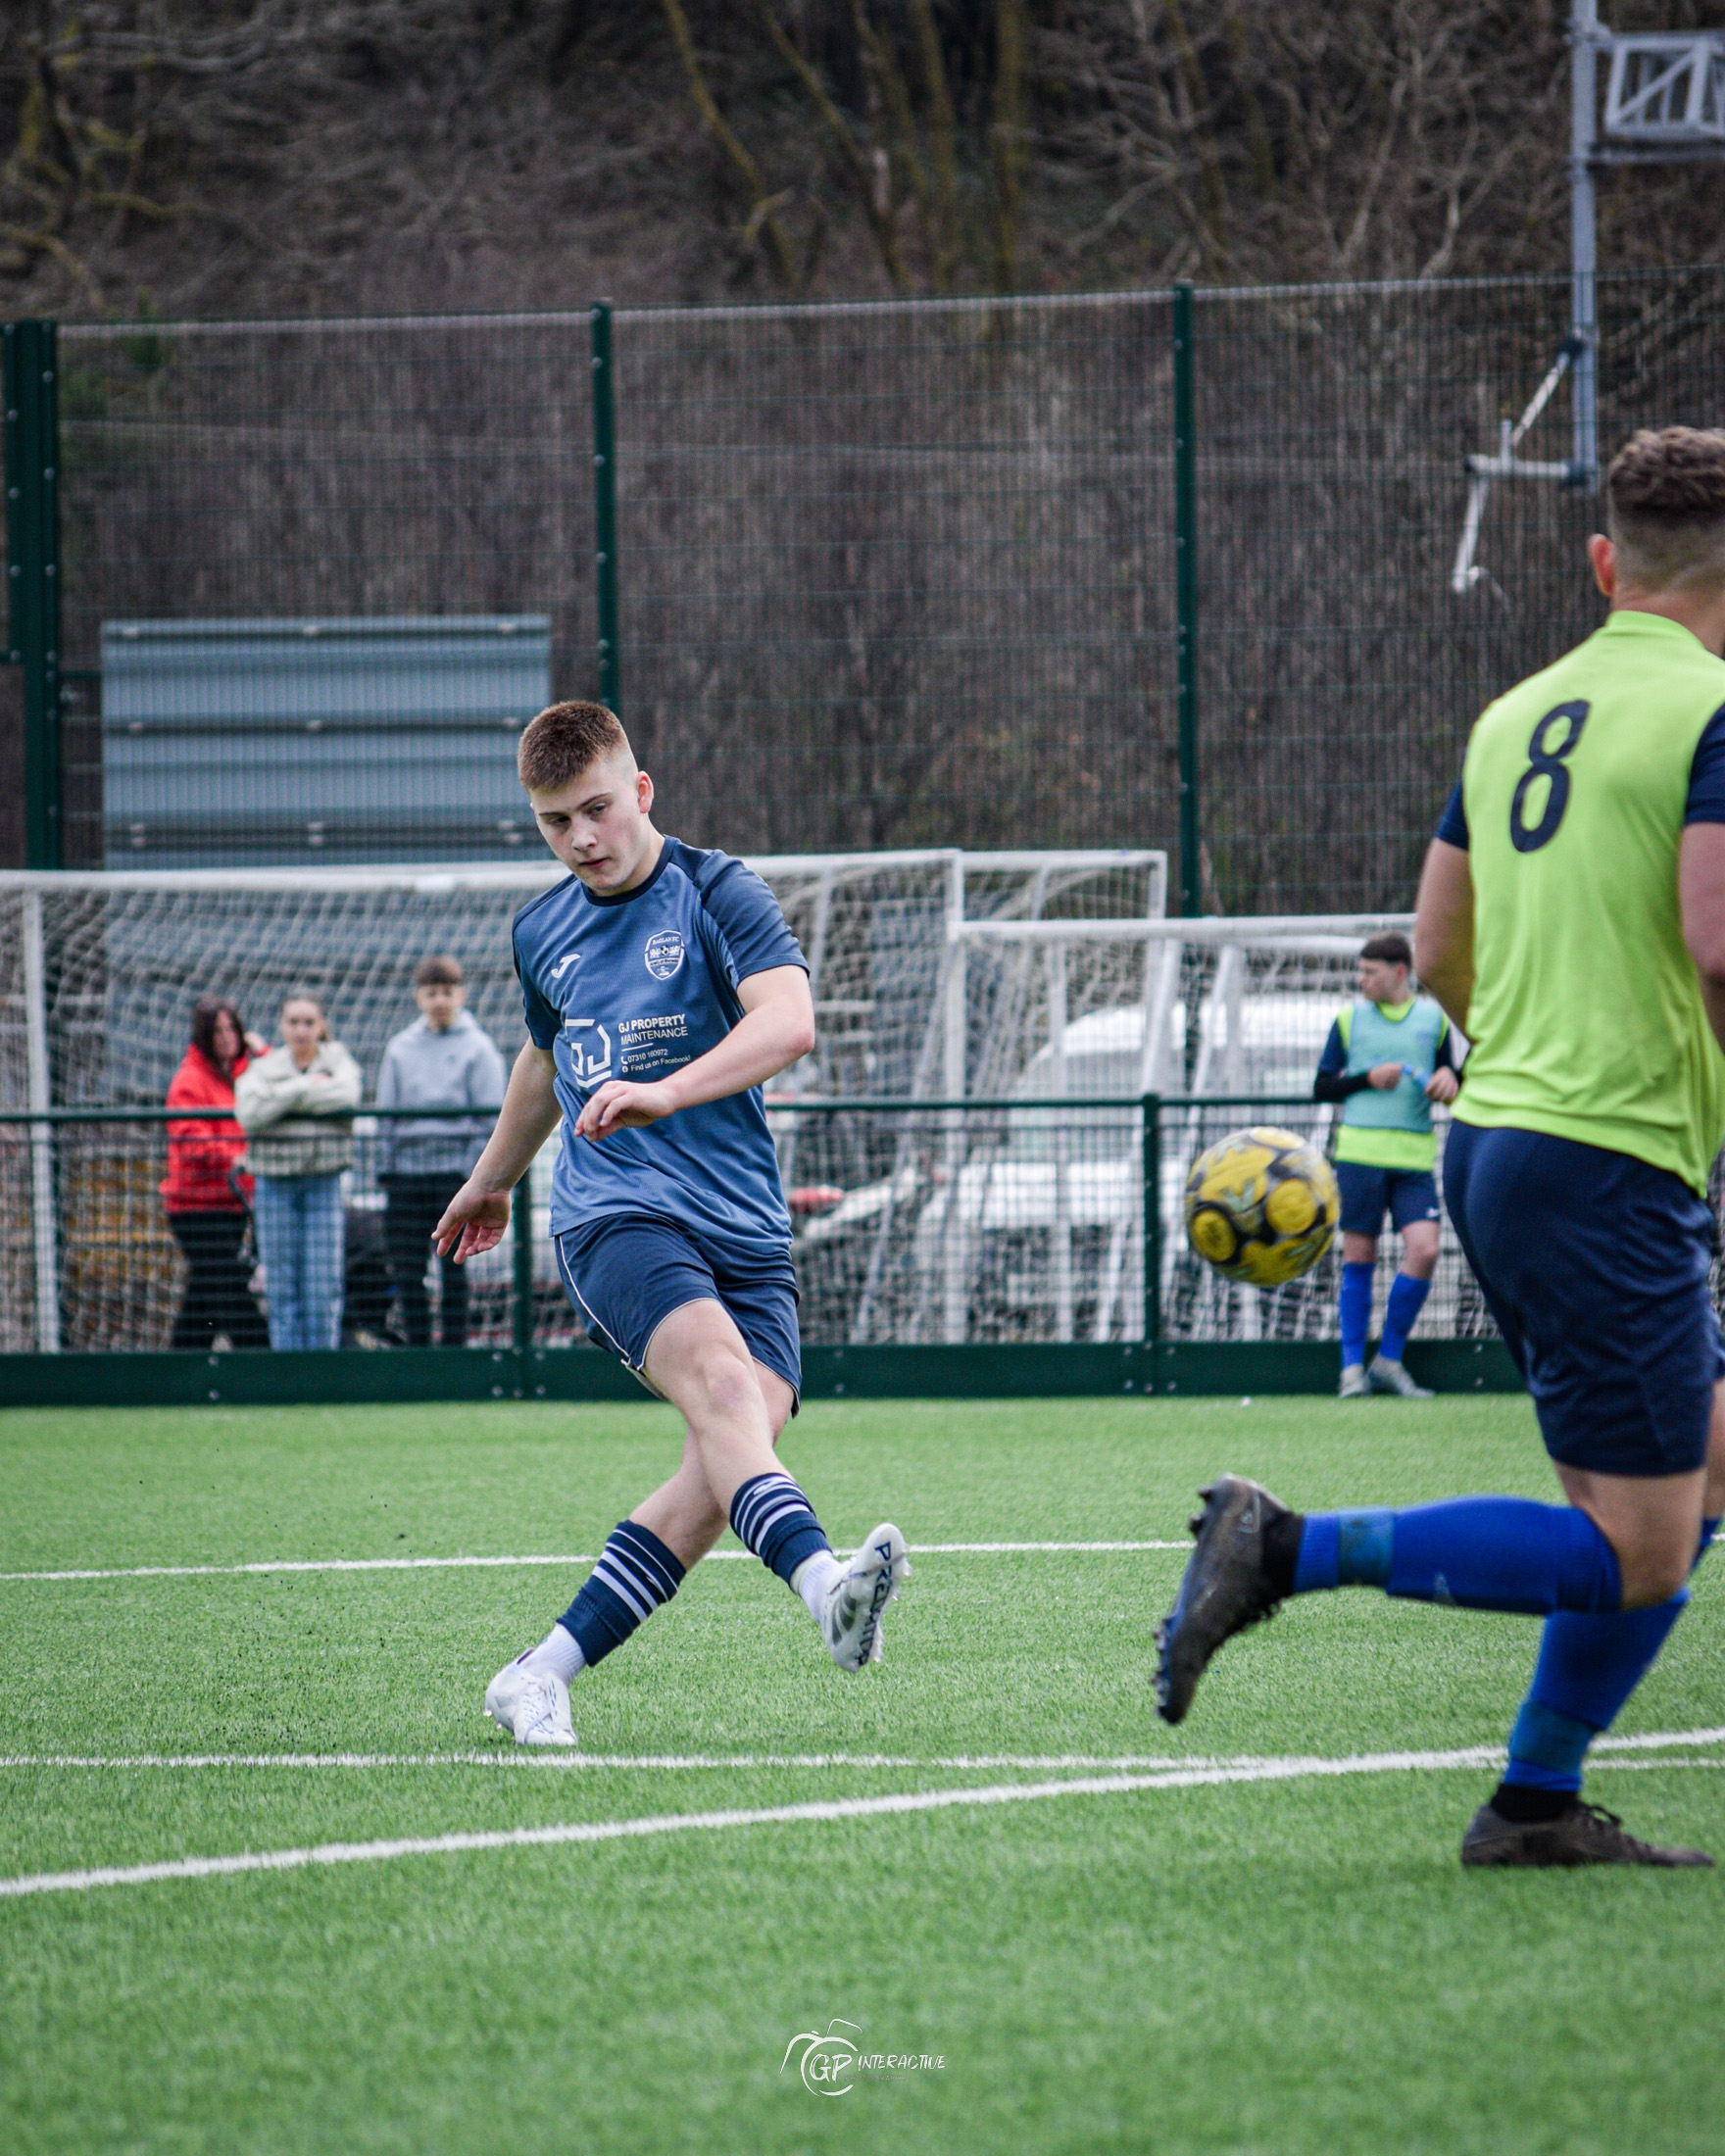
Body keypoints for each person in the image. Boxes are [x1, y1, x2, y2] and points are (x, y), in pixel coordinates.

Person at [1156, 426, 1725, 1868]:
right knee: (1639, 1547)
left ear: (1605, 564)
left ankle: (1535, 1802)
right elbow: (1719, 939)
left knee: (1696, 1479)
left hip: (1502, 1144)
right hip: (1605, 1155)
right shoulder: (1716, 711)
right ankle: (1284, 1548)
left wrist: (1536, 1057)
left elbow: (1447, 944)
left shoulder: (1512, 716)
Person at [434, 699, 910, 1747]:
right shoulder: (540, 929)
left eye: (597, 810)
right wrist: (493, 1178)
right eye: (555, 823)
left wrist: (668, 1089)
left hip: (742, 1226)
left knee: (722, 1462)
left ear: (639, 791)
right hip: (616, 1214)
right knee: (728, 1396)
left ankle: (537, 1672)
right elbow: (540, 1059)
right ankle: (829, 1588)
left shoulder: (715, 888)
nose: (582, 840)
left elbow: (790, 1020)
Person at [1312, 931, 1461, 1399]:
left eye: (1370, 972)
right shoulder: (1348, 1020)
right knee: (1359, 1256)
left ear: (1400, 973)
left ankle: (1389, 1361)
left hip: (1414, 1157)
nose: (1362, 980)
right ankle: (1351, 1371)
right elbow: (1322, 1086)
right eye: (1360, 971)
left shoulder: (1433, 1020)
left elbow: (1454, 1076)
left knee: (1425, 1250)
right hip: (1359, 1156)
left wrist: (1449, 1076)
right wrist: (1365, 1079)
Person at [376, 956, 507, 1348]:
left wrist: (475, 1177)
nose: (440, 1001)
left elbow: (489, 1121)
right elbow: (386, 1117)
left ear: (461, 994)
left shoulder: (479, 1048)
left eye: (447, 991)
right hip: (406, 1179)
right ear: (418, 997)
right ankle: (417, 1351)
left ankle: (454, 1350)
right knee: (407, 1270)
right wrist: (387, 1170)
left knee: (454, 1268)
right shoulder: (399, 1049)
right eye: (432, 992)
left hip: (455, 1178)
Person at [235, 993, 362, 1351]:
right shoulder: (266, 1066)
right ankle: (289, 1372)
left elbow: (346, 1095)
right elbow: (250, 1111)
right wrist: (306, 1088)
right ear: (282, 1025)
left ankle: (321, 1370)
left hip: (323, 1182)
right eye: (293, 1022)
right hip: (274, 1185)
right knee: (282, 1286)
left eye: (309, 1022)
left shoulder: (338, 1060)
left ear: (321, 1025)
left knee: (322, 1285)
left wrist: (282, 1104)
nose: (301, 1030)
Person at [161, 998, 271, 1351]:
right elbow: (192, 1140)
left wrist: (264, 1051)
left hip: (232, 1204)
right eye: (217, 1031)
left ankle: (179, 1369)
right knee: (229, 1290)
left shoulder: (244, 1074)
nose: (225, 1037)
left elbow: (277, 1086)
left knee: (204, 1297)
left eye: (231, 1029)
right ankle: (261, 1358)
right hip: (196, 1207)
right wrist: (237, 1157)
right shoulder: (189, 1081)